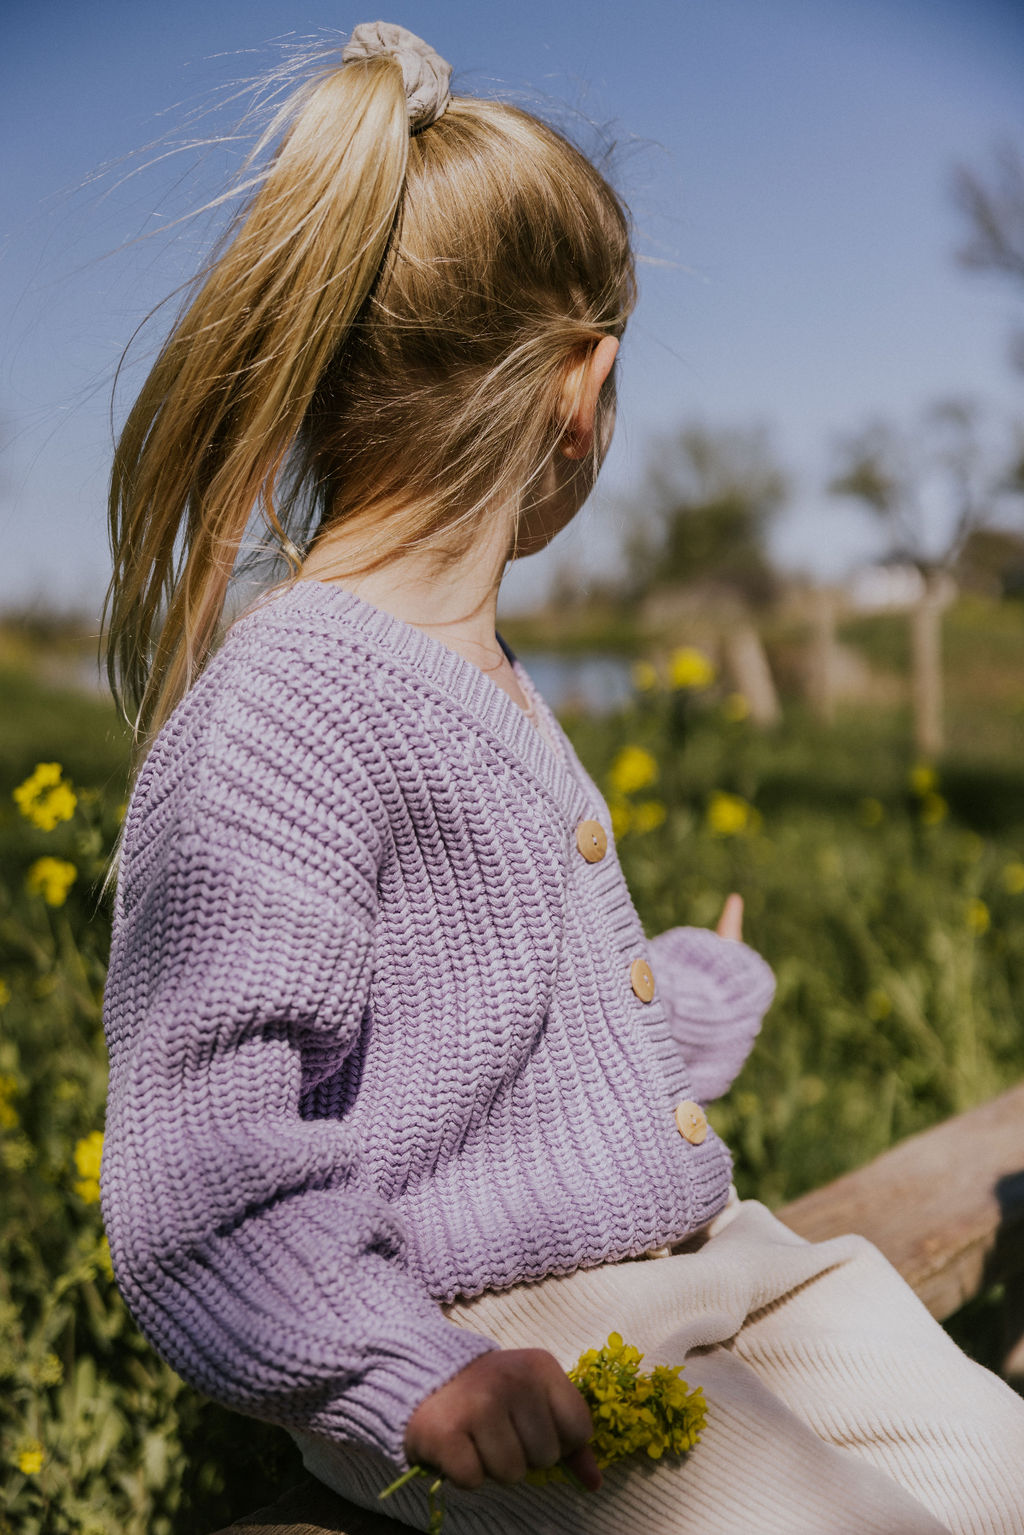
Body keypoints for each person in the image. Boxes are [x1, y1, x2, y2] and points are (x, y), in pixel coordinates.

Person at [100, 23, 1024, 1535]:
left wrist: (683, 991)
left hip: (708, 1266)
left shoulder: (489, 672)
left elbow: (477, 1024)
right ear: (580, 390)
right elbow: (205, 1176)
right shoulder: (284, 707)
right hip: (501, 1350)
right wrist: (406, 1370)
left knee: (1002, 1467)